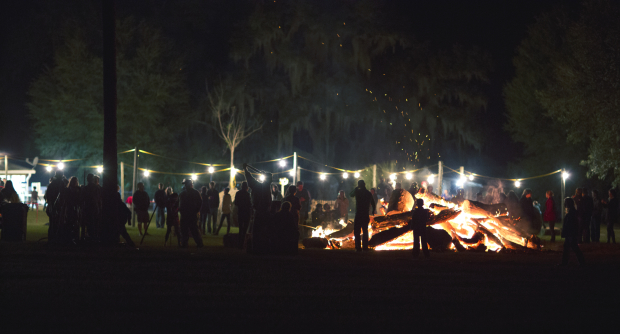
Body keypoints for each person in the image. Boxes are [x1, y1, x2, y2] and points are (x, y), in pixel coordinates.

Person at [243, 164, 273, 253]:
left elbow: (250, 179)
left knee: (257, 230)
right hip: (264, 211)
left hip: (259, 212)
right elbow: (268, 178)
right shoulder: (266, 186)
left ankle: (256, 248)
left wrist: (245, 169)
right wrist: (246, 170)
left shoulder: (258, 186)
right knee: (264, 230)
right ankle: (263, 248)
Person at [349, 179, 376, 252]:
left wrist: (355, 189)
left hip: (359, 214)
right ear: (364, 185)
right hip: (365, 214)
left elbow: (350, 194)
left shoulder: (358, 192)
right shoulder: (368, 193)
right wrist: (373, 210)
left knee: (357, 231)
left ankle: (358, 247)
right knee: (365, 231)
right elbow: (373, 203)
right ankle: (365, 247)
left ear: (359, 185)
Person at [54, 176, 82, 243]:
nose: (74, 183)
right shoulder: (68, 190)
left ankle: (76, 237)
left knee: (76, 223)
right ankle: (68, 238)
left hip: (76, 208)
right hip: (69, 208)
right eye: (73, 181)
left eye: (75, 181)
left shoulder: (78, 189)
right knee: (68, 223)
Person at [178, 179, 204, 248]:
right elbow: (179, 203)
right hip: (186, 214)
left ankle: (198, 243)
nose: (185, 186)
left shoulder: (194, 193)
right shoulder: (184, 193)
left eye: (186, 184)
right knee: (186, 230)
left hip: (190, 214)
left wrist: (196, 210)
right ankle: (185, 243)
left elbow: (200, 203)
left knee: (193, 230)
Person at [559, 197, 585, 266]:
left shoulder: (571, 213)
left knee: (574, 248)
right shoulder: (572, 212)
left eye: (565, 203)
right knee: (568, 248)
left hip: (571, 233)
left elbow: (570, 224)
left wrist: (566, 232)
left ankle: (582, 262)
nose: (564, 204)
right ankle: (565, 263)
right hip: (571, 233)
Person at [45, 171, 65, 241]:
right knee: (57, 224)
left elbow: (47, 196)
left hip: (54, 206)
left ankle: (51, 239)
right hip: (58, 207)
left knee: (52, 224)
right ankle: (56, 239)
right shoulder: (61, 184)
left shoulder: (52, 184)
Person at [81, 173, 102, 240]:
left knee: (89, 223)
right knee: (95, 223)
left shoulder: (86, 188)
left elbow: (83, 198)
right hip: (94, 207)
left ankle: (90, 236)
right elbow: (99, 198)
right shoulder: (96, 188)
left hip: (88, 207)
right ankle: (94, 237)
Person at [234, 181, 252, 249]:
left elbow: (236, 203)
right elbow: (249, 204)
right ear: (246, 187)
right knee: (245, 229)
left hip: (240, 212)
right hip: (246, 213)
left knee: (240, 229)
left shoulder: (238, 193)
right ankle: (243, 243)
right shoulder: (247, 194)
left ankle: (239, 243)